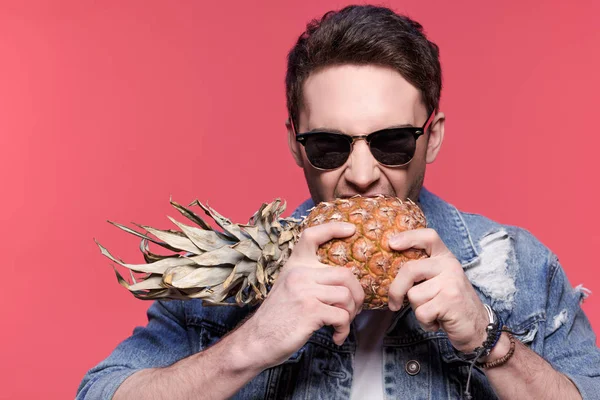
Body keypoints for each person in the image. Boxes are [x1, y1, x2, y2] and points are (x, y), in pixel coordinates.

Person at [77, 5, 600, 399]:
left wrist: (490, 342)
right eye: (329, 145)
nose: (362, 175)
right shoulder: (235, 283)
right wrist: (251, 342)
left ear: (432, 137)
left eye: (392, 142)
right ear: (294, 144)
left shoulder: (519, 266)